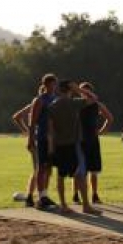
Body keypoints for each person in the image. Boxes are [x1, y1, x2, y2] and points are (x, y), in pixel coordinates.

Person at [46, 80, 100, 214]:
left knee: (61, 175)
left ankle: (63, 204)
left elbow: (50, 130)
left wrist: (51, 148)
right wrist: (80, 90)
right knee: (80, 174)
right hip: (74, 144)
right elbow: (94, 98)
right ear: (70, 90)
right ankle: (86, 205)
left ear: (59, 90)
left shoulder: (52, 106)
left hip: (59, 145)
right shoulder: (73, 103)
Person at [72, 81, 113, 204]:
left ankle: (94, 194)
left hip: (92, 140)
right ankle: (76, 194)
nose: (85, 95)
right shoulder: (77, 104)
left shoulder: (97, 105)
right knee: (79, 169)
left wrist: (101, 131)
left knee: (93, 170)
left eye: (87, 92)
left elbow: (109, 118)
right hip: (79, 139)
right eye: (83, 92)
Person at [27, 73, 59, 210]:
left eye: (55, 84)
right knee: (41, 168)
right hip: (42, 137)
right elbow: (32, 121)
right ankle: (40, 197)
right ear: (46, 85)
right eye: (52, 84)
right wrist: (30, 139)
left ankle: (45, 195)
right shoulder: (39, 100)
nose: (54, 86)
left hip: (53, 139)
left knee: (49, 168)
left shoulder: (56, 99)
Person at [11, 88, 41, 207]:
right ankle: (33, 197)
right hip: (37, 141)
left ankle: (35, 196)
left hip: (39, 139)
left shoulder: (39, 104)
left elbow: (17, 117)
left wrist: (28, 132)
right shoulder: (35, 105)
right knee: (39, 170)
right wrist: (28, 132)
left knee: (39, 170)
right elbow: (17, 116)